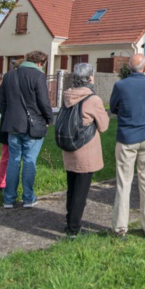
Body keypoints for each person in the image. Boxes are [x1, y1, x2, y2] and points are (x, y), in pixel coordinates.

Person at [109, 54, 145, 239]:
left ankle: (120, 228)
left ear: (129, 68)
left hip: (127, 136)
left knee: (124, 182)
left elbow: (113, 107)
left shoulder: (121, 85)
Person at [61, 63, 110, 238]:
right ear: (89, 78)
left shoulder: (67, 95)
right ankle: (74, 229)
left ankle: (69, 221)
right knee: (81, 192)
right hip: (86, 149)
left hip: (69, 147)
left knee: (72, 188)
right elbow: (104, 126)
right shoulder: (93, 99)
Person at [0, 50, 54, 208]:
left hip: (12, 124)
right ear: (40, 63)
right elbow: (44, 102)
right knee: (29, 161)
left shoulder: (9, 75)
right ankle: (28, 198)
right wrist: (49, 119)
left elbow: (2, 102)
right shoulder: (38, 76)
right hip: (33, 125)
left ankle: (8, 199)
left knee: (13, 161)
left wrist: (8, 115)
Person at [0, 58, 22, 192]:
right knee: (11, 155)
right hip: (15, 123)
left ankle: (2, 183)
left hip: (7, 121)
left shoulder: (7, 78)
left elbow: (1, 101)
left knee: (6, 155)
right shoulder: (21, 80)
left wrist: (6, 115)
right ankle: (5, 183)